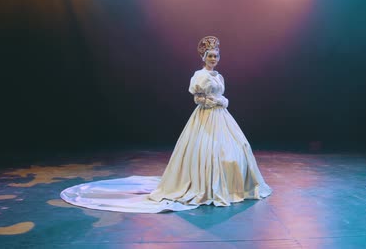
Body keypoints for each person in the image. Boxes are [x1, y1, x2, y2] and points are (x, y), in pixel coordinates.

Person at [60, 36, 272, 213]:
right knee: (205, 151)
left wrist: (222, 101)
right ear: (204, 57)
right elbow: (197, 98)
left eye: (216, 56)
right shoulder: (200, 75)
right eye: (210, 56)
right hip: (206, 117)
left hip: (222, 116)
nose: (213, 59)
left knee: (238, 148)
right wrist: (211, 102)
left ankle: (232, 187)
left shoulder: (220, 76)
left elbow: (223, 96)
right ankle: (204, 186)